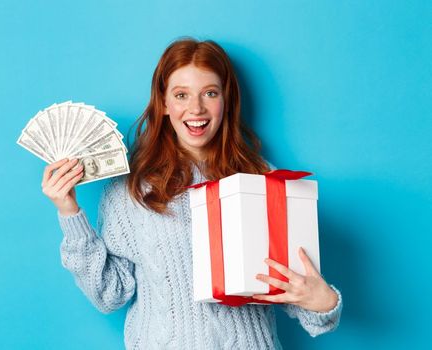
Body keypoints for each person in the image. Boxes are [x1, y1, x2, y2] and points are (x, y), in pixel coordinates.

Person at [40, 38, 342, 349]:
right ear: (164, 103)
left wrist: (324, 301)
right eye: (181, 95)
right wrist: (69, 211)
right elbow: (110, 295)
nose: (196, 108)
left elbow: (304, 303)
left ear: (226, 99)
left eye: (209, 93)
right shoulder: (129, 189)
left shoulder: (264, 178)